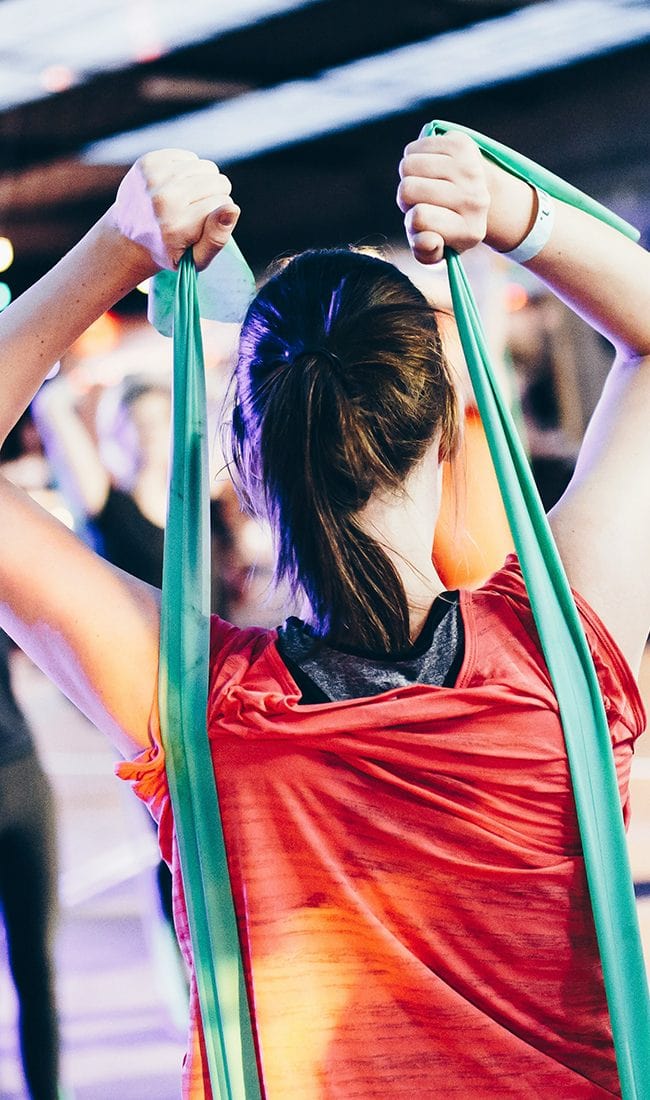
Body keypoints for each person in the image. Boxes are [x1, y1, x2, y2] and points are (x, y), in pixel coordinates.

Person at [0, 133, 647, 1097]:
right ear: (446, 426)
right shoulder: (560, 657)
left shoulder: (199, 711)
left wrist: (116, 248)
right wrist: (517, 218)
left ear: (249, 467)